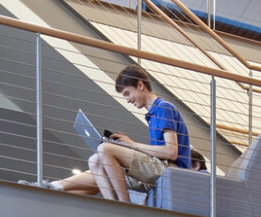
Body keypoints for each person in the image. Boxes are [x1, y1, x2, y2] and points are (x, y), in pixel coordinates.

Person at [51, 66, 191, 202]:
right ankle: (58, 190)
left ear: (140, 85)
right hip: (161, 167)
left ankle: (123, 205)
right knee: (95, 161)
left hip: (174, 171)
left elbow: (171, 152)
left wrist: (132, 145)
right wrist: (129, 146)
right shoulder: (152, 115)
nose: (128, 100)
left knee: (104, 148)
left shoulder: (162, 107)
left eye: (127, 93)